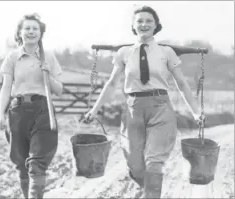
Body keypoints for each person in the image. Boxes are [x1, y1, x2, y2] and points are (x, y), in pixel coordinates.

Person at [85, 5, 204, 199]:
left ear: (156, 25)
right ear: (133, 25)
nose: (144, 24)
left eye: (149, 21)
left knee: (154, 162)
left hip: (161, 108)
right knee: (135, 164)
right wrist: (95, 109)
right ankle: (146, 188)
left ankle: (151, 194)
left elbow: (182, 84)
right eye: (139, 21)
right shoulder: (124, 52)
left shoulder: (167, 52)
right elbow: (112, 82)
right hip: (133, 110)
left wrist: (196, 112)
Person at [0, 13, 63, 199]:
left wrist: (48, 74)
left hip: (42, 110)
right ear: (20, 32)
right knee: (21, 162)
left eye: (35, 28)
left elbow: (60, 90)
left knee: (37, 163)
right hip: (17, 111)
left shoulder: (48, 56)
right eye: (27, 28)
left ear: (41, 33)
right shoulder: (12, 57)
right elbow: (6, 87)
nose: (31, 32)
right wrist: (0, 114)